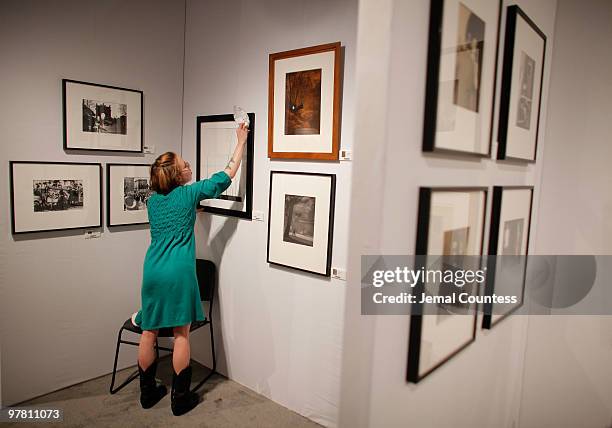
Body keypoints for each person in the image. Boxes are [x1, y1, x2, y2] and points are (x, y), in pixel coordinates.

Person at [133, 123, 248, 415]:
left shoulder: (153, 201)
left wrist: (191, 209)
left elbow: (177, 213)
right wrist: (241, 141)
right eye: (185, 165)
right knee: (181, 334)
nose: (189, 167)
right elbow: (227, 175)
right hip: (179, 274)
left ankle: (147, 393)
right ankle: (180, 398)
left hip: (152, 272)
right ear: (178, 175)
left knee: (149, 331)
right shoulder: (189, 194)